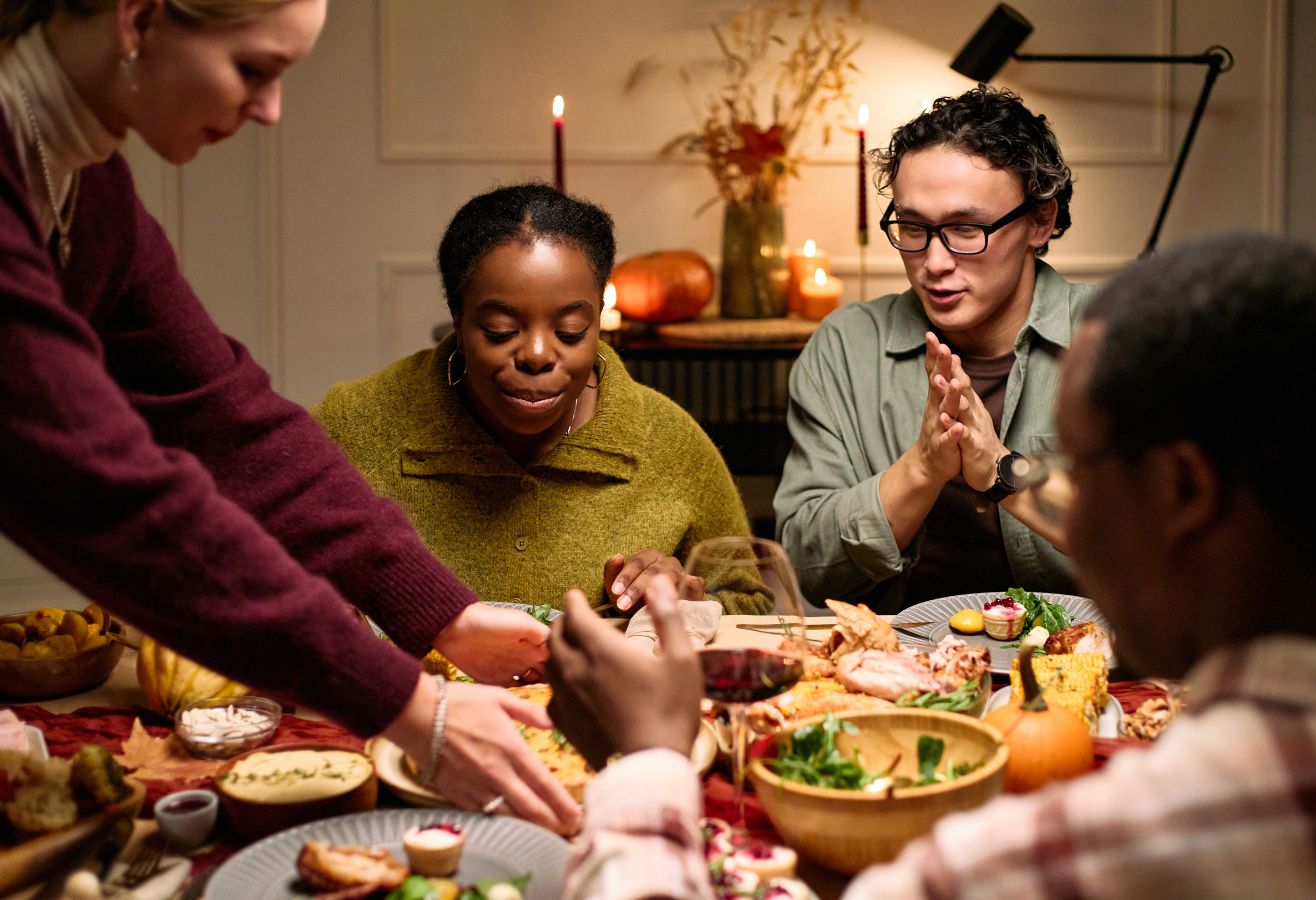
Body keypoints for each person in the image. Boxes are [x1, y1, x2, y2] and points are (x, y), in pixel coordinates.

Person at [547, 233, 1316, 897]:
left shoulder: (1066, 858)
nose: (1068, 516)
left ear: (1184, 493)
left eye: (1081, 473)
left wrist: (649, 761)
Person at [0, 0, 579, 833]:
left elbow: (230, 419)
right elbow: (113, 493)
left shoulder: (88, 186)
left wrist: (441, 613)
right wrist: (409, 704)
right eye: (254, 69)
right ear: (138, 17)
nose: (271, 110)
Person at [313, 184, 765, 632]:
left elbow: (755, 609)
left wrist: (688, 602)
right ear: (457, 316)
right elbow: (259, 573)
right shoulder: (356, 424)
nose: (536, 353)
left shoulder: (668, 441)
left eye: (570, 331)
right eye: (499, 330)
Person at [775, 86, 1095, 612]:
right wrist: (922, 468)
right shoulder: (846, 347)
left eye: (966, 229)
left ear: (1040, 221)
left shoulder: (1118, 343)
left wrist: (1000, 468)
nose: (935, 262)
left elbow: (1163, 558)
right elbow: (808, 568)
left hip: (1086, 663)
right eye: (913, 227)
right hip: (897, 670)